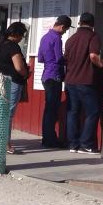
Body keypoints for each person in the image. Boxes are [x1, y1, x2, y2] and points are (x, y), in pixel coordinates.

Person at [64, 12, 103, 153]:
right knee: (92, 112)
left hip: (70, 80)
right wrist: (101, 64)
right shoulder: (93, 36)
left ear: (80, 23)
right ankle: (86, 144)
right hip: (85, 81)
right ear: (93, 24)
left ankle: (73, 144)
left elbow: (66, 58)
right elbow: (93, 56)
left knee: (73, 112)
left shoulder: (71, 39)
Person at [36, 15, 71, 148]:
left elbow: (40, 58)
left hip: (45, 75)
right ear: (62, 26)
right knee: (52, 109)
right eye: (66, 29)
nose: (64, 32)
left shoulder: (44, 37)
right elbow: (59, 58)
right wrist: (69, 60)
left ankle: (47, 137)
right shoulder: (57, 38)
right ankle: (50, 139)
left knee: (48, 109)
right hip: (54, 75)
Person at [0, 21, 29, 154]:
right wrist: (26, 74)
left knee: (2, 112)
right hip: (13, 81)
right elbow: (19, 67)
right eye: (21, 35)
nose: (21, 38)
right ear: (16, 34)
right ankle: (6, 143)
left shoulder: (0, 44)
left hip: (1, 80)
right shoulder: (13, 47)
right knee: (8, 113)